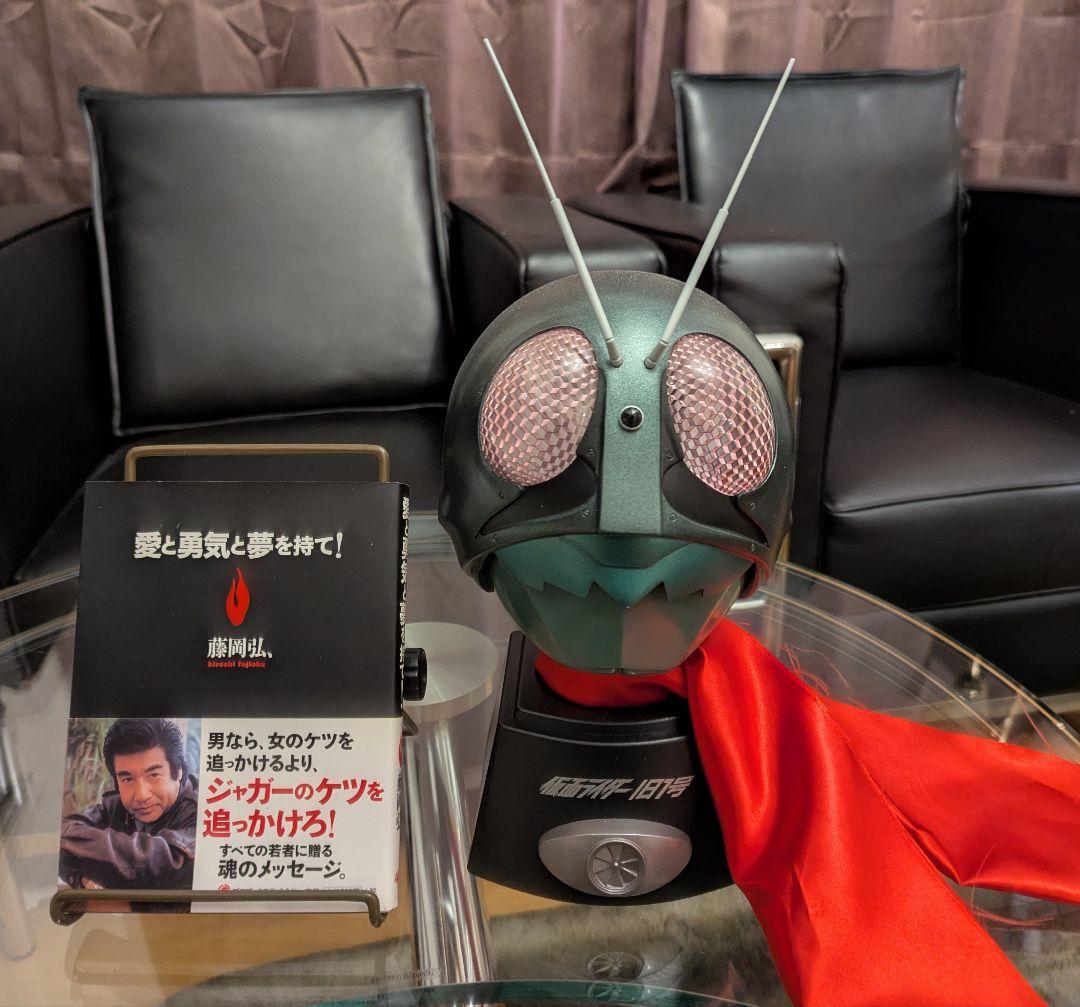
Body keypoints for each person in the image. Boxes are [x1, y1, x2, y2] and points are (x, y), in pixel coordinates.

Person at [59, 718, 198, 890]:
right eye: (127, 779)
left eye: (154, 775)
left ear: (178, 771)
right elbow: (64, 834)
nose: (141, 795)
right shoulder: (116, 806)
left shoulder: (205, 811)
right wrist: (82, 879)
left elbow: (166, 864)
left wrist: (87, 857)